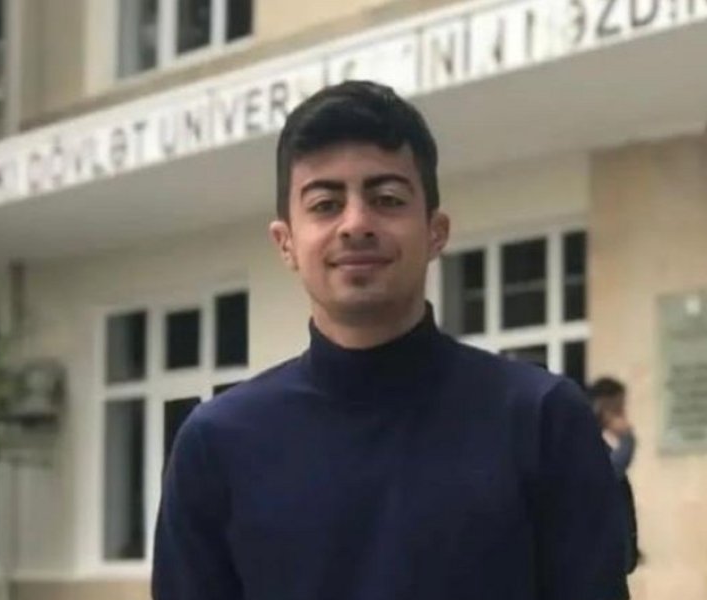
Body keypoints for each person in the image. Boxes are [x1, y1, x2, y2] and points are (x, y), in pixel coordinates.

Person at [152, 80, 629, 600]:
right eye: (325, 204)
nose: (356, 224)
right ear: (285, 242)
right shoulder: (217, 444)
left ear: (435, 231)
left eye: (387, 199)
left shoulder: (542, 419)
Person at [588, 377, 641, 584]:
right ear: (602, 405)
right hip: (594, 563)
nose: (622, 414)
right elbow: (607, 476)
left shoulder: (597, 442)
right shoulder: (582, 440)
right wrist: (627, 439)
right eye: (618, 407)